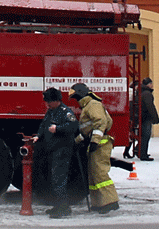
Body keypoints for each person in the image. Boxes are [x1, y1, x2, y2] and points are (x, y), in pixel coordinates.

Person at [70, 82, 119, 215]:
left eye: (76, 97)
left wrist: (95, 142)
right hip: (96, 144)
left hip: (101, 144)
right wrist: (76, 142)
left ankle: (111, 202)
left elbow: (100, 122)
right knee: (93, 175)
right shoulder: (88, 106)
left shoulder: (93, 105)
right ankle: (99, 203)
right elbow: (86, 130)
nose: (76, 101)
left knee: (100, 173)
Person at [35, 86, 80, 219]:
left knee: (59, 179)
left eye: (49, 101)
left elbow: (73, 126)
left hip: (62, 150)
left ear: (57, 100)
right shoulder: (51, 111)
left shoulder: (65, 112)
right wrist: (38, 135)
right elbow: (44, 125)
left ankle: (64, 208)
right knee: (53, 178)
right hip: (53, 150)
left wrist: (58, 129)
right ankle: (58, 205)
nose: (47, 104)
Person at [136, 78, 159, 161]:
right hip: (146, 117)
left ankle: (139, 151)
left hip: (141, 116)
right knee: (146, 136)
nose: (152, 85)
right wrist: (155, 118)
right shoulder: (147, 94)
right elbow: (150, 107)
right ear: (148, 84)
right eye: (151, 83)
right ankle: (143, 154)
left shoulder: (141, 92)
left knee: (143, 136)